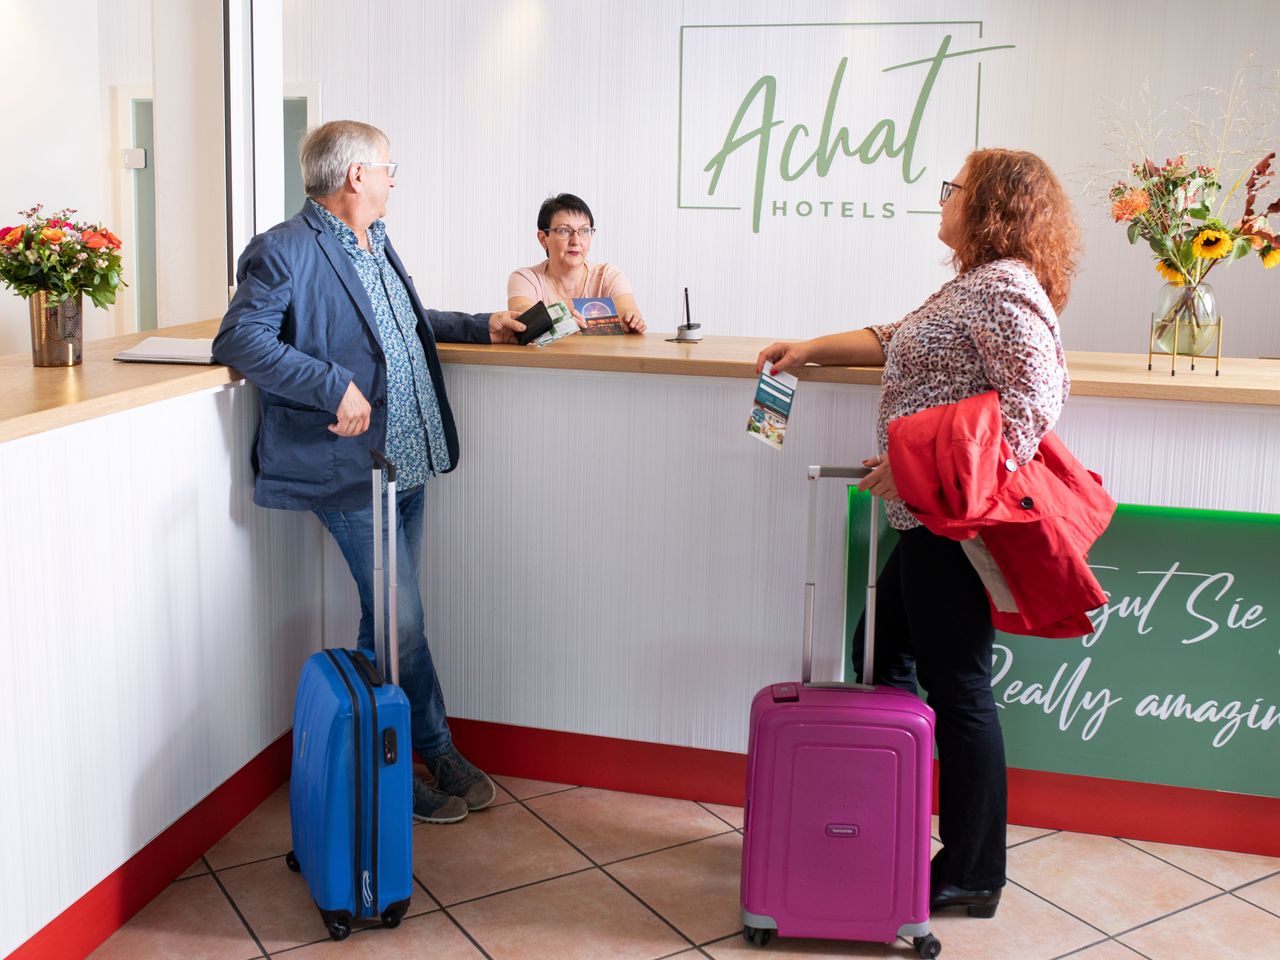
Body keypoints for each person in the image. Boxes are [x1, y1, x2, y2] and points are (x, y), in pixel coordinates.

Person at [756, 148, 1082, 918]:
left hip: (954, 525)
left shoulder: (1005, 287)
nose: (943, 199)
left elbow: (1035, 405)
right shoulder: (973, 285)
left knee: (959, 690)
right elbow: (895, 336)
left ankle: (971, 870)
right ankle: (891, 823)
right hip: (927, 519)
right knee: (885, 659)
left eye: (954, 189)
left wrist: (917, 465)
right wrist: (807, 349)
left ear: (991, 206)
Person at [212, 120, 528, 824]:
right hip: (350, 470)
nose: (393, 178)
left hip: (405, 461)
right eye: (390, 166)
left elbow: (395, 325)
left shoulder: (375, 241)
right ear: (356, 175)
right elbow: (240, 338)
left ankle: (381, 755)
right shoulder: (284, 249)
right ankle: (426, 751)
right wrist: (330, 385)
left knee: (384, 622)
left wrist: (481, 325)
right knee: (400, 622)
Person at [507, 193, 646, 332]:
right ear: (543, 238)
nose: (576, 241)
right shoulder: (525, 278)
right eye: (564, 231)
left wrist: (631, 319)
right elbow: (523, 321)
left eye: (584, 230)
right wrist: (561, 313)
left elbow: (627, 310)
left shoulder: (608, 275)